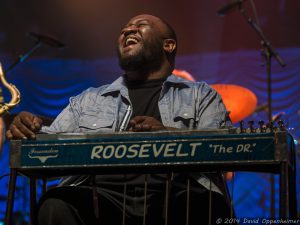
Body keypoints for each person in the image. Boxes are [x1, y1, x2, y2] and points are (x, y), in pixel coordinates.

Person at [7, 14, 233, 225]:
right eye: (125, 29)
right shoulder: (89, 99)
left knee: (210, 205)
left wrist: (168, 135)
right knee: (55, 204)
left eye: (141, 25)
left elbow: (223, 153)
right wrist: (29, 132)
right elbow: (49, 146)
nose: (128, 29)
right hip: (101, 199)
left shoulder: (201, 95)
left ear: (168, 45)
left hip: (177, 196)